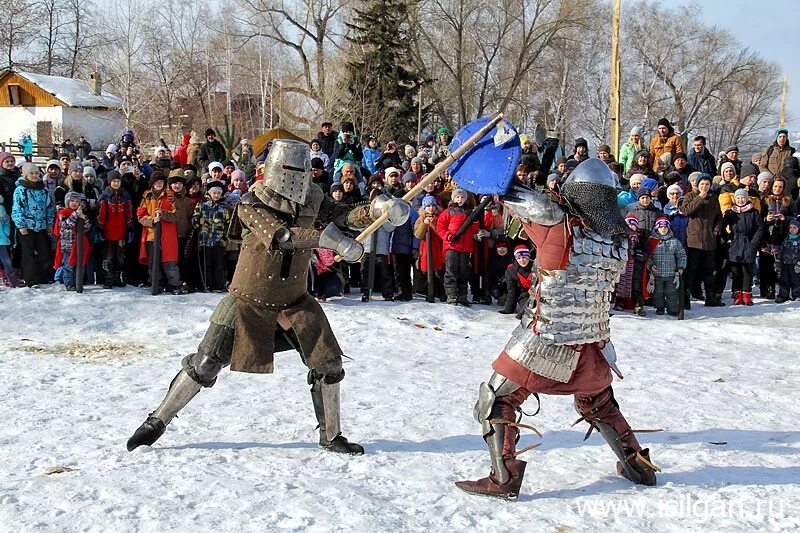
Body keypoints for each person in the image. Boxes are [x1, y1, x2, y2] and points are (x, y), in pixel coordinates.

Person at [126, 140, 408, 455]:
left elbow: (343, 214)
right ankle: (157, 420)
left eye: (302, 171)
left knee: (328, 362)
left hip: (294, 299)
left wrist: (376, 210)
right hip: (249, 297)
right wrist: (332, 241)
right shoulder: (250, 203)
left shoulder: (312, 197)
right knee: (205, 364)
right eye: (291, 170)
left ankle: (332, 435)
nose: (297, 178)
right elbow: (282, 236)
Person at [456, 159, 657, 499]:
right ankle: (637, 465)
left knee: (496, 400)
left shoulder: (557, 224)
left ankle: (503, 478)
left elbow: (506, 189)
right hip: (594, 342)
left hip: (545, 339)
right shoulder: (619, 238)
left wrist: (475, 160)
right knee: (599, 402)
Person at [137, 171, 183, 294]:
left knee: (170, 261)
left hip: (167, 234)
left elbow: (176, 215)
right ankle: (156, 283)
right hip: (152, 235)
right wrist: (152, 220)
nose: (159, 184)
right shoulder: (147, 196)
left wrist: (163, 214)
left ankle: (174, 285)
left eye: (161, 182)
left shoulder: (170, 195)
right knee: (153, 262)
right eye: (156, 182)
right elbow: (140, 215)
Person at [12, 163, 56, 288]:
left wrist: (49, 223)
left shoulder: (43, 190)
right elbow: (17, 209)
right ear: (26, 175)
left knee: (44, 252)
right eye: (32, 173)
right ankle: (30, 279)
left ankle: (43, 276)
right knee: (28, 253)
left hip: (41, 225)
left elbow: (49, 208)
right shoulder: (21, 190)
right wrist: (21, 225)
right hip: (27, 226)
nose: (35, 175)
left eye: (36, 173)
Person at [683, 174, 724, 307]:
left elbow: (719, 217)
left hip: (709, 241)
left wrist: (716, 230)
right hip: (693, 241)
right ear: (698, 185)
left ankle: (710, 297)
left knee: (708, 271)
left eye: (707, 184)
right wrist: (700, 197)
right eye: (702, 184)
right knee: (691, 270)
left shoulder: (714, 198)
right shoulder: (690, 196)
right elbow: (686, 211)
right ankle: (686, 299)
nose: (705, 187)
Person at [437, 187, 479, 305]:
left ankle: (462, 295)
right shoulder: (447, 212)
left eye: (462, 197)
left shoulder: (469, 213)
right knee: (451, 271)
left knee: (464, 272)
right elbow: (440, 227)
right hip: (451, 246)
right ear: (453, 198)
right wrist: (448, 236)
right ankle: (451, 295)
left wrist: (475, 221)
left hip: (465, 247)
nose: (460, 199)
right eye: (457, 197)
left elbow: (474, 230)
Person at [722, 189, 763, 305]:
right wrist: (728, 238)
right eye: (738, 198)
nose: (740, 200)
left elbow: (759, 228)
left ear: (747, 199)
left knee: (747, 270)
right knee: (736, 271)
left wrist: (753, 242)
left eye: (743, 198)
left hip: (748, 243)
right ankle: (737, 294)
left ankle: (747, 294)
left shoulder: (754, 212)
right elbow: (722, 227)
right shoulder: (730, 212)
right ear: (735, 199)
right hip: (735, 244)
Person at [192, 180, 232, 292]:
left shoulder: (225, 208)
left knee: (219, 264)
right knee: (207, 264)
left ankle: (218, 285)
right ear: (209, 193)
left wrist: (225, 238)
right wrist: (197, 222)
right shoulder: (201, 206)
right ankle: (207, 285)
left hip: (218, 240)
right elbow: (193, 221)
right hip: (205, 240)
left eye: (218, 193)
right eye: (214, 193)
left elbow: (228, 225)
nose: (216, 195)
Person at [97, 171, 132, 288]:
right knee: (108, 257)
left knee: (120, 257)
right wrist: (100, 228)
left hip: (121, 232)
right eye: (114, 181)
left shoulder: (125, 196)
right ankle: (108, 279)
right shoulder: (105, 197)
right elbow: (101, 215)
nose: (116, 183)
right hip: (108, 232)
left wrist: (130, 227)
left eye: (118, 181)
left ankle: (117, 277)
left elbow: (128, 214)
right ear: (109, 182)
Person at [647, 217, 686, 316]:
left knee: (672, 292)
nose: (663, 229)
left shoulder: (675, 241)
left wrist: (680, 267)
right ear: (657, 228)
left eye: (665, 227)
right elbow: (648, 256)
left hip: (671, 273)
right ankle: (659, 307)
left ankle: (672, 309)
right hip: (657, 273)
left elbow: (681, 254)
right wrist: (650, 265)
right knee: (658, 292)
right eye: (661, 227)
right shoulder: (652, 241)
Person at [53, 191, 91, 290]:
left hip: (79, 244)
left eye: (77, 201)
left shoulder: (80, 213)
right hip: (68, 245)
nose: (74, 203)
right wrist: (76, 214)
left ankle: (78, 282)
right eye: (72, 201)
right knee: (68, 265)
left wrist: (83, 218)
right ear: (67, 202)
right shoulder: (63, 213)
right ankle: (69, 283)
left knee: (80, 265)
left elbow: (86, 228)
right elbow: (67, 224)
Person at [498, 245, 533, 317]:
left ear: (529, 257)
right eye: (519, 258)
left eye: (524, 257)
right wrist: (508, 309)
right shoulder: (511, 270)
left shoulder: (536, 267)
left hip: (537, 294)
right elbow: (512, 290)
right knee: (526, 311)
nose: (522, 260)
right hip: (523, 294)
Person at [776, 217, 800, 303]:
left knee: (796, 280)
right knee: (784, 280)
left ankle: (797, 295)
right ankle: (783, 295)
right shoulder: (786, 239)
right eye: (791, 227)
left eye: (795, 228)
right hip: (785, 263)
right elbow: (782, 250)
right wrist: (778, 260)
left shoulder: (799, 240)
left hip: (795, 265)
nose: (792, 230)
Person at [0, 193, 22, 287]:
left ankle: (13, 281)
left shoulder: (1, 208)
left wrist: (5, 233)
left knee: (7, 261)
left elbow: (6, 222)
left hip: (1, 239)